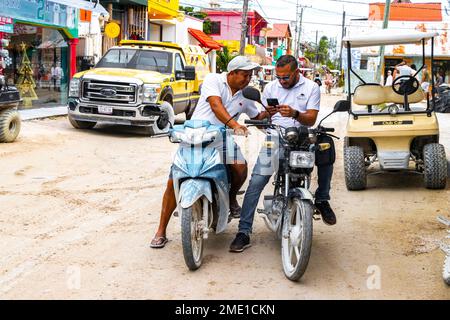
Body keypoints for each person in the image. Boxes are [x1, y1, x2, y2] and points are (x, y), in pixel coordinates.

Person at [150, 56, 271, 248]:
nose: (248, 79)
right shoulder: (213, 80)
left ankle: (231, 198)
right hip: (196, 136)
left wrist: (269, 113)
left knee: (240, 168)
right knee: (174, 179)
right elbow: (216, 106)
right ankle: (161, 231)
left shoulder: (245, 96)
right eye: (245, 75)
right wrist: (235, 125)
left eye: (250, 75)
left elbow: (258, 116)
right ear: (232, 73)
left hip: (223, 139)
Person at [229, 55, 336, 253]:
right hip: (275, 139)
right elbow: (261, 117)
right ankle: (243, 231)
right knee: (256, 183)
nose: (282, 81)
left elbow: (311, 119)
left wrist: (295, 113)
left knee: (326, 146)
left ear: (296, 72)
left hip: (302, 138)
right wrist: (267, 113)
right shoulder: (270, 87)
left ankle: (322, 199)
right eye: (279, 77)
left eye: (286, 77)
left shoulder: (311, 87)